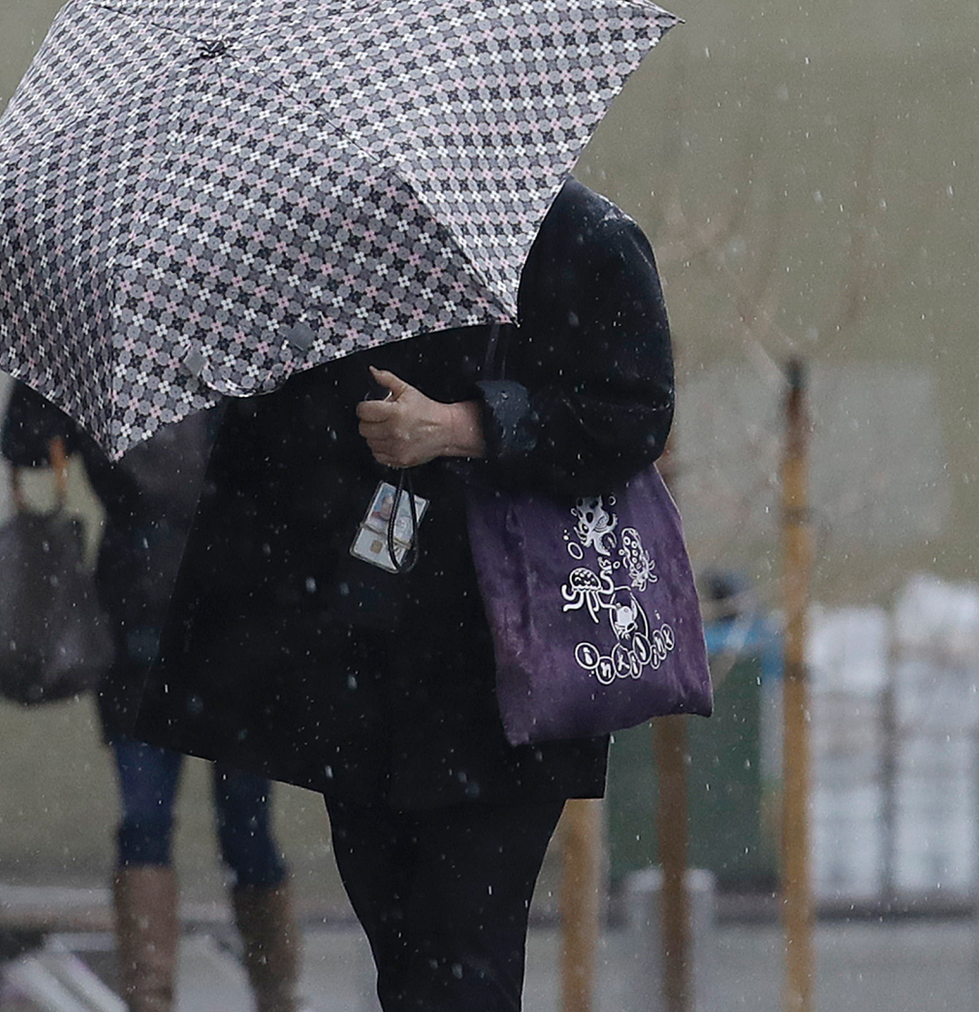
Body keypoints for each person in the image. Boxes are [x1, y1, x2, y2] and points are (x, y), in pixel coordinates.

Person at [135, 177, 675, 1011]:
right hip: (363, 667)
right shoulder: (338, 243)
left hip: (509, 663)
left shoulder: (579, 235)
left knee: (465, 962)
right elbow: (286, 454)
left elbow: (632, 414)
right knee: (407, 966)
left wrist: (464, 424)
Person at [0, 384, 302, 1012]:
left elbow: (296, 461)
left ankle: (275, 997)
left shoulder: (234, 347)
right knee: (151, 823)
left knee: (242, 829)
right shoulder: (103, 353)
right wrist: (40, 376)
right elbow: (24, 448)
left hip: (231, 623)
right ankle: (156, 999)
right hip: (151, 626)